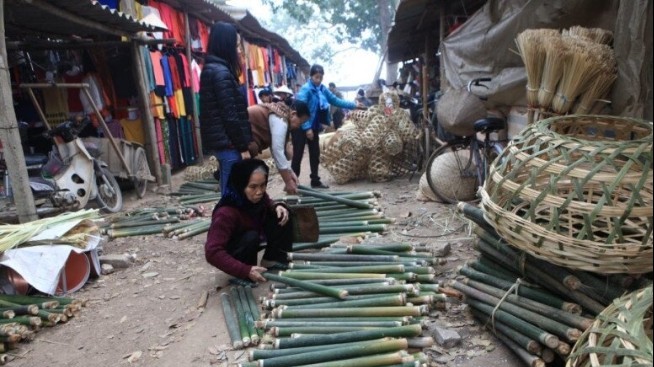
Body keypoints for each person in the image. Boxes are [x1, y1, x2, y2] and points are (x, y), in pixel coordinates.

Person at [205, 158, 292, 287]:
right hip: (235, 249)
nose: (259, 191)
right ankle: (246, 272)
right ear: (240, 185)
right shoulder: (226, 212)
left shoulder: (258, 197)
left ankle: (271, 259)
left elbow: (267, 201)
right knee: (251, 237)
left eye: (263, 185)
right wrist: (244, 270)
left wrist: (277, 206)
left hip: (253, 235)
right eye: (253, 187)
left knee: (283, 213)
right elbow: (212, 252)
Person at [199, 21, 254, 193]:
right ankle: (226, 220)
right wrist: (243, 146)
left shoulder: (213, 69)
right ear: (226, 46)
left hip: (223, 142)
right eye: (236, 45)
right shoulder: (221, 73)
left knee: (229, 189)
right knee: (231, 193)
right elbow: (230, 115)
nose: (238, 50)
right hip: (229, 144)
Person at [293, 64, 363, 189]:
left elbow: (336, 100)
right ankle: (293, 183)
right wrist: (307, 127)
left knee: (315, 153)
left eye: (321, 77)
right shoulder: (306, 89)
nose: (318, 80)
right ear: (311, 76)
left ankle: (315, 180)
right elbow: (299, 109)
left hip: (314, 126)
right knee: (297, 155)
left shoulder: (322, 89)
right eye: (316, 77)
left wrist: (353, 105)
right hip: (300, 125)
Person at [247, 100, 310, 194]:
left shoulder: (280, 113)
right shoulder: (280, 119)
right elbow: (277, 151)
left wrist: (290, 172)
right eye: (300, 123)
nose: (299, 126)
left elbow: (277, 150)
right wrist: (288, 181)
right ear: (293, 114)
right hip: (236, 144)